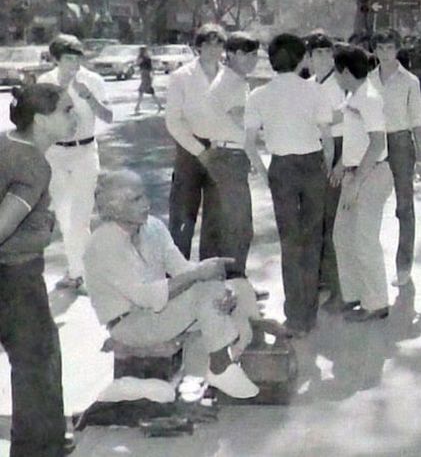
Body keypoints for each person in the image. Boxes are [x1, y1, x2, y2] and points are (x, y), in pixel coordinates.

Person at [84, 169, 261, 399]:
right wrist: (199, 275)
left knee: (236, 287)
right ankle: (219, 366)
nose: (146, 203)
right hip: (130, 324)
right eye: (136, 199)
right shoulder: (103, 244)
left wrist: (217, 281)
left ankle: (225, 361)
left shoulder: (153, 227)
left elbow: (182, 268)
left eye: (144, 196)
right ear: (114, 208)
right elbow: (145, 297)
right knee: (205, 289)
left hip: (160, 313)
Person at [0, 83, 76, 457]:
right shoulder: (32, 162)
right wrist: (43, 231)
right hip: (15, 277)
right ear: (42, 119)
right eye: (66, 110)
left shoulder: (4, 142)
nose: (73, 117)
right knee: (36, 362)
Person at [245, 34, 335, 337]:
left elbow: (248, 143)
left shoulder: (258, 95)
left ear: (271, 61)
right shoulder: (315, 92)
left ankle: (294, 315)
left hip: (280, 168)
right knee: (312, 240)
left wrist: (263, 171)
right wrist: (328, 165)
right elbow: (328, 138)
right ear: (302, 60)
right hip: (312, 166)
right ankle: (306, 314)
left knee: (290, 242)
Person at [39, 33, 112, 292]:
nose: (73, 64)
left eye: (76, 58)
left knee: (81, 216)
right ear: (56, 59)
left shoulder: (92, 80)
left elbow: (109, 116)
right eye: (68, 59)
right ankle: (78, 271)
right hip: (56, 154)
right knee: (64, 214)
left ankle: (82, 273)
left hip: (85, 152)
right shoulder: (45, 82)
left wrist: (89, 97)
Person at [330, 44, 395, 321]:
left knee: (364, 239)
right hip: (354, 172)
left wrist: (357, 178)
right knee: (342, 235)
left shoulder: (368, 97)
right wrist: (341, 165)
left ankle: (376, 302)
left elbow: (378, 142)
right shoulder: (354, 96)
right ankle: (353, 294)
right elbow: (355, 139)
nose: (334, 74)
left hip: (371, 173)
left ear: (345, 71)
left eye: (336, 69)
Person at [165, 23, 227, 259]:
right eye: (208, 44)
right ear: (198, 47)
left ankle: (209, 270)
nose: (214, 49)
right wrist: (199, 150)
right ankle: (177, 272)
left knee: (216, 216)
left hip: (221, 149)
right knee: (183, 215)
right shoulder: (182, 77)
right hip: (189, 151)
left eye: (218, 43)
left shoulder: (229, 76)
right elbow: (173, 121)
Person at [370, 31, 421, 288]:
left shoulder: (409, 81)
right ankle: (370, 269)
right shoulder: (368, 79)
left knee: (404, 206)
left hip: (401, 142)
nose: (384, 53)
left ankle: (404, 266)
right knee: (371, 205)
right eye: (380, 48)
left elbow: (417, 120)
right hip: (374, 142)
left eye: (389, 48)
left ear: (397, 49)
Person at [203, 32, 260, 279]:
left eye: (255, 54)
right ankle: (237, 280)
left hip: (224, 154)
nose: (253, 60)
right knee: (240, 226)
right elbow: (244, 122)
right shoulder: (233, 83)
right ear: (233, 54)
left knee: (227, 223)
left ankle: (225, 279)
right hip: (230, 155)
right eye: (248, 54)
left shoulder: (229, 78)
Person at [304, 31, 347, 309]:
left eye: (326, 52)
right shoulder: (307, 84)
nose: (322, 58)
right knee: (315, 218)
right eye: (316, 53)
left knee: (334, 222)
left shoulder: (341, 83)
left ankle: (339, 288)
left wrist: (341, 163)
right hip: (314, 149)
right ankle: (321, 278)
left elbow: (350, 118)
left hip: (340, 147)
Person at [133, 46, 163, 114]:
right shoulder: (145, 58)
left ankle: (137, 106)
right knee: (148, 91)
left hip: (145, 75)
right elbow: (149, 67)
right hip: (146, 75)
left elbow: (138, 64)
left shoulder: (142, 58)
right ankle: (159, 105)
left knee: (143, 91)